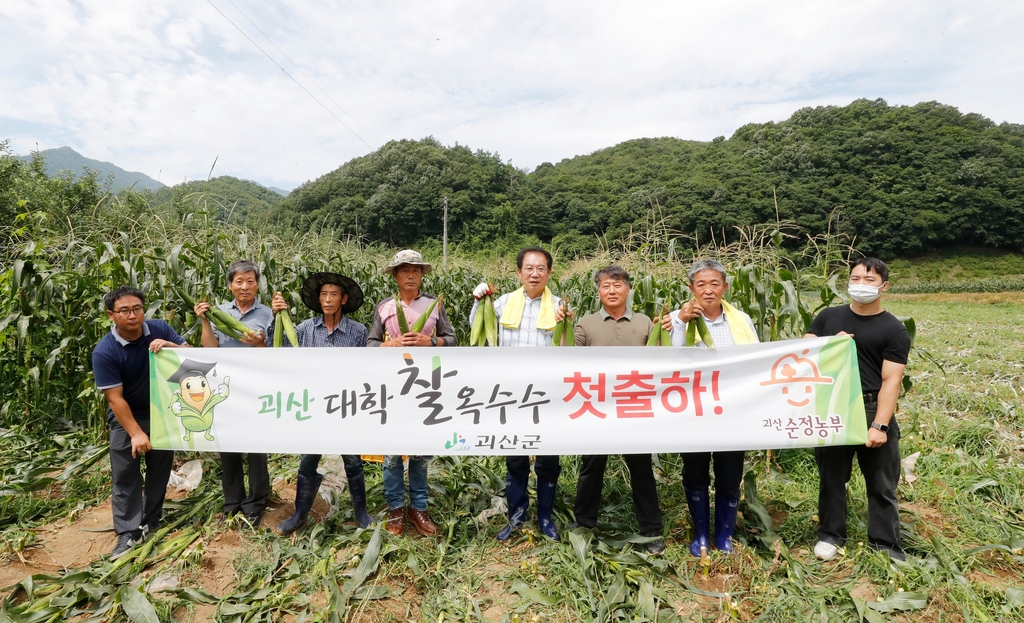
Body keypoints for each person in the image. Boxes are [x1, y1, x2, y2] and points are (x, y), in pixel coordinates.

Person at [805, 258, 910, 561]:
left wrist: (880, 425)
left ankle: (885, 543)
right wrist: (828, 344)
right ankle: (831, 535)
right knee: (832, 477)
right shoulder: (828, 317)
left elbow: (891, 381)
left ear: (884, 286)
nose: (860, 285)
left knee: (881, 481)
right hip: (834, 405)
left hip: (870, 405)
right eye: (855, 278)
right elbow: (804, 352)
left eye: (869, 280)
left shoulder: (893, 330)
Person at [662, 259, 759, 556]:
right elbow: (666, 360)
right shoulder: (674, 320)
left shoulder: (741, 320)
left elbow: (757, 359)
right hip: (693, 412)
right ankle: (701, 534)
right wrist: (679, 319)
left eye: (714, 283)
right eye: (701, 284)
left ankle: (725, 536)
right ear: (691, 288)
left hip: (732, 410)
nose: (708, 290)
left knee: (730, 474)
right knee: (695, 474)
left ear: (725, 287)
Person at [470, 246, 567, 541]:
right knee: (515, 456)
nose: (535, 273)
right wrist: (478, 300)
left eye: (541, 268)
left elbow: (568, 348)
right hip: (511, 391)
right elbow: (477, 327)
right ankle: (516, 516)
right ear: (519, 272)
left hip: (546, 392)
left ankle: (546, 518)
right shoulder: (502, 303)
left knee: (549, 456)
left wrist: (567, 322)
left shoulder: (560, 306)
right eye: (529, 268)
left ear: (550, 272)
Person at [268, 272, 374, 534]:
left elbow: (368, 368)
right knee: (308, 461)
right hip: (314, 406)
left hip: (345, 405)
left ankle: (361, 513)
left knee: (352, 460)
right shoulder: (305, 329)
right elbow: (276, 347)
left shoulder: (358, 332)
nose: (328, 299)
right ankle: (300, 514)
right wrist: (276, 317)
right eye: (324, 294)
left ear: (344, 299)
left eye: (334, 295)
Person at [573, 266, 666, 555]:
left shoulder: (646, 323)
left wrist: (667, 329)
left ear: (628, 289)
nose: (611, 291)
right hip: (597, 407)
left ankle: (651, 531)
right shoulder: (585, 324)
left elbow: (662, 359)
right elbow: (566, 361)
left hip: (634, 407)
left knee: (641, 469)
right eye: (605, 286)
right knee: (591, 467)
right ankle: (584, 526)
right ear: (598, 292)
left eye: (617, 285)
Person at [92, 286, 189, 558]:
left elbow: (192, 356)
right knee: (125, 474)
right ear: (111, 315)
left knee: (160, 470)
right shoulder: (105, 351)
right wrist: (135, 433)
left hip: (162, 411)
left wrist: (171, 346)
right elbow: (115, 399)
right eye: (124, 311)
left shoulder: (159, 329)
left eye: (137, 309)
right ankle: (128, 532)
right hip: (126, 417)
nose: (132, 315)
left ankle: (152, 520)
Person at [368, 249, 456, 536]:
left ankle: (419, 508)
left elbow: (452, 340)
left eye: (415, 270)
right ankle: (395, 509)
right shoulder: (384, 307)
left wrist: (430, 341)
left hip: (425, 386)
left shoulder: (434, 305)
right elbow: (369, 346)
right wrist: (390, 346)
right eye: (404, 270)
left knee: (419, 451)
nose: (410, 275)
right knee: (392, 453)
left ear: (421, 275)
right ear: (394, 275)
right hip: (392, 387)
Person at [193, 259, 273, 528]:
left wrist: (259, 343)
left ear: (257, 284)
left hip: (256, 386)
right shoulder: (218, 312)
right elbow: (210, 349)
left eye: (250, 281)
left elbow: (276, 351)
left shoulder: (267, 312)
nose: (245, 286)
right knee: (228, 445)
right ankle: (232, 502)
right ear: (230, 286)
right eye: (239, 281)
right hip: (225, 385)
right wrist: (204, 320)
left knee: (256, 446)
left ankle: (256, 501)